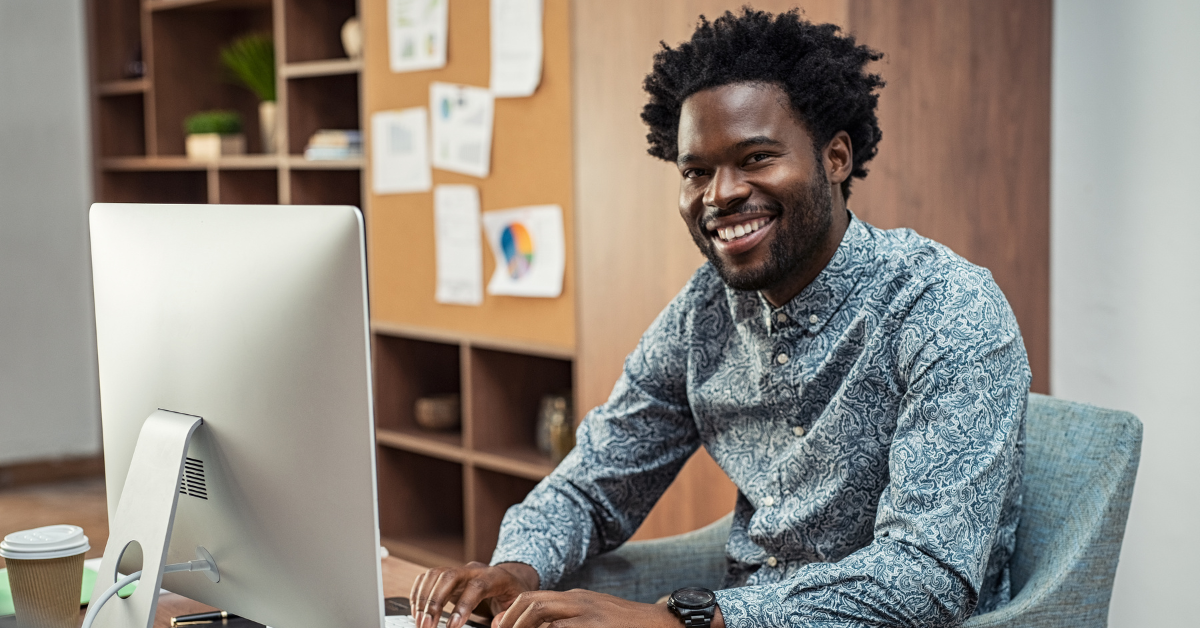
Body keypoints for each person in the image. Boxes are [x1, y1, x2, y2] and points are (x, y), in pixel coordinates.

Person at [409, 8, 1030, 628]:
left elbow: (926, 577)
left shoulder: (946, 307)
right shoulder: (705, 310)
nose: (719, 195)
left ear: (835, 157)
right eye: (696, 171)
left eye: (756, 158)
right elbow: (597, 478)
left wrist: (690, 620)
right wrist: (516, 567)